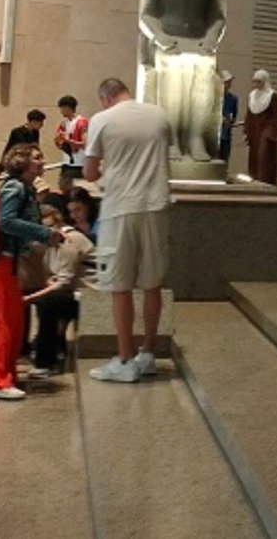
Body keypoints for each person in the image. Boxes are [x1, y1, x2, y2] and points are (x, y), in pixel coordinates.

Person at [85, 78, 174, 384]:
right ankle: (148, 353)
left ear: (106, 98)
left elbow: (89, 171)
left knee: (119, 285)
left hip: (120, 207)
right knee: (152, 283)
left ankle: (125, 359)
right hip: (157, 205)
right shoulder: (159, 115)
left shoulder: (102, 120)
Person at [0, 143, 65, 400]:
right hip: (2, 261)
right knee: (2, 320)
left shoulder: (24, 188)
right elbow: (6, 221)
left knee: (3, 318)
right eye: (37, 158)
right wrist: (44, 233)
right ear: (22, 162)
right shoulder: (16, 187)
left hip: (7, 261)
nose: (43, 162)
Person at [23, 205, 93, 378]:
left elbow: (63, 280)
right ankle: (51, 347)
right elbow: (49, 276)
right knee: (46, 299)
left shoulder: (71, 241)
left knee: (48, 302)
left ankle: (45, 362)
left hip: (90, 295)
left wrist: (30, 297)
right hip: (71, 292)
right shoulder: (49, 246)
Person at [242, 69, 277, 185]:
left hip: (268, 129)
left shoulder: (272, 96)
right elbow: (249, 115)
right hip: (255, 128)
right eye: (254, 81)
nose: (256, 85)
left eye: (259, 82)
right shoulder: (252, 96)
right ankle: (255, 177)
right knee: (255, 153)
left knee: (265, 153)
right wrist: (246, 132)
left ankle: (266, 180)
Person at [54, 96, 89, 181]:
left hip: (79, 163)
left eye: (62, 108)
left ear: (67, 108)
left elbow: (86, 144)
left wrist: (70, 141)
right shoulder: (63, 124)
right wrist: (58, 140)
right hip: (66, 162)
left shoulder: (81, 122)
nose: (61, 111)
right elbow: (59, 145)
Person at [219, 71, 239, 163]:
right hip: (214, 135)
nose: (228, 84)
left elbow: (234, 115)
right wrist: (220, 118)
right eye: (226, 82)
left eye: (229, 82)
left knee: (225, 158)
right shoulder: (214, 97)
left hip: (226, 134)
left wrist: (231, 120)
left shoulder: (233, 99)